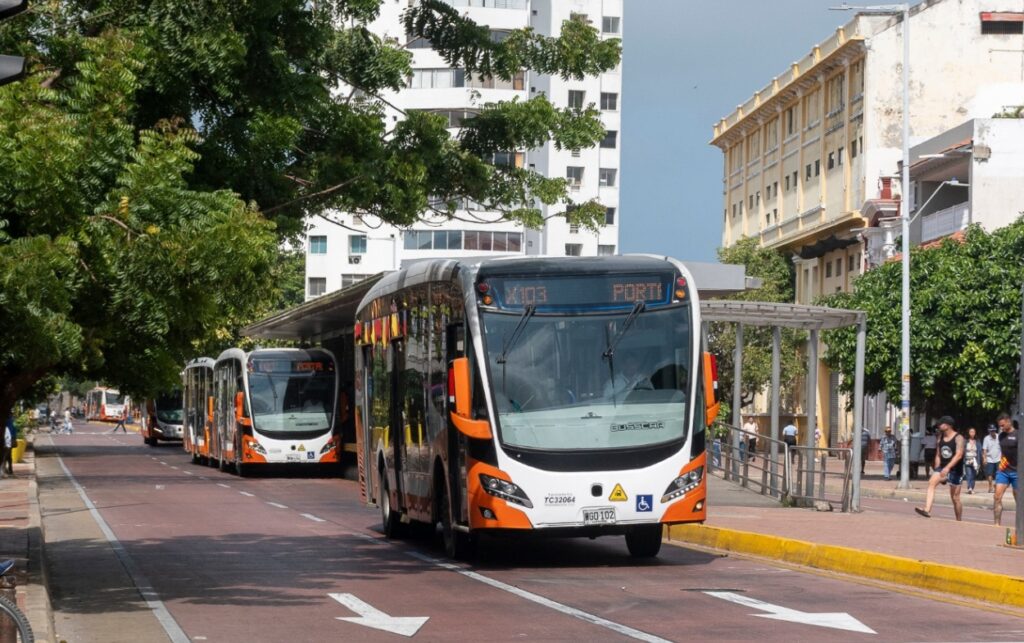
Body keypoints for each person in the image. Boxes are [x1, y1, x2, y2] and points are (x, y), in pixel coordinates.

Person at [915, 416, 965, 520]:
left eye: (941, 424)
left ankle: (959, 520)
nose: (938, 426)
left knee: (955, 498)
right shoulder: (939, 437)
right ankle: (927, 509)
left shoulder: (958, 438)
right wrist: (937, 468)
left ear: (948, 425)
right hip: (942, 467)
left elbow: (959, 455)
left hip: (955, 470)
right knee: (931, 482)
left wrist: (948, 468)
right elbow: (938, 454)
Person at [993, 412, 1018, 527]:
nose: (1001, 428)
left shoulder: (1019, 434)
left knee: (1019, 500)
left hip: (1017, 472)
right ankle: (996, 524)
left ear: (1008, 422)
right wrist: (1001, 465)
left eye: (1002, 425)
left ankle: (1020, 526)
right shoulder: (1001, 436)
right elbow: (1003, 452)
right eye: (1000, 426)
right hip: (1003, 470)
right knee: (997, 497)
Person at [963, 426, 982, 494]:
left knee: (974, 475)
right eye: (971, 432)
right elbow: (963, 450)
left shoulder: (977, 441)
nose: (972, 433)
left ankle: (972, 487)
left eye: (973, 432)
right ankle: (969, 488)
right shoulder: (965, 441)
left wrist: (979, 462)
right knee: (969, 474)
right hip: (967, 459)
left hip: (975, 460)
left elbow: (979, 452)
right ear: (968, 433)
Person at [982, 423, 1001, 493]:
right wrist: (984, 458)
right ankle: (990, 486)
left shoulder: (999, 437)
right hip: (990, 459)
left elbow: (1003, 447)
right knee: (989, 474)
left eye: (994, 430)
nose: (993, 432)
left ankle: (996, 485)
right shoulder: (986, 438)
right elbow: (984, 449)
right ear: (989, 431)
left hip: (998, 458)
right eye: (991, 431)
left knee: (999, 473)